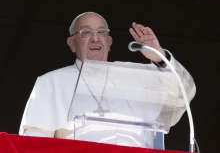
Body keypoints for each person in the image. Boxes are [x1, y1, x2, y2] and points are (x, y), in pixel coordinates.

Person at [19, 12, 196, 148]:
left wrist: (159, 56)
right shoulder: (51, 83)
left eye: (101, 32)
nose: (95, 38)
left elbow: (183, 93)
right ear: (72, 43)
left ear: (109, 41)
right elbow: (34, 143)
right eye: (86, 32)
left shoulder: (137, 76)